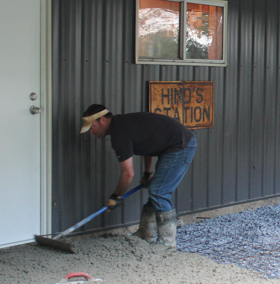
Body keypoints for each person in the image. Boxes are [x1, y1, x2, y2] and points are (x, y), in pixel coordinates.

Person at [80, 104, 197, 250]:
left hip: (181, 146)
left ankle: (168, 243)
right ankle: (145, 234)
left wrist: (116, 196)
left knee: (159, 191)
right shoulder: (124, 126)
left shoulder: (119, 133)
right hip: (172, 146)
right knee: (156, 191)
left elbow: (128, 174)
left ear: (102, 120)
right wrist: (147, 173)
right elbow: (148, 145)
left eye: (92, 127)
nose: (91, 132)